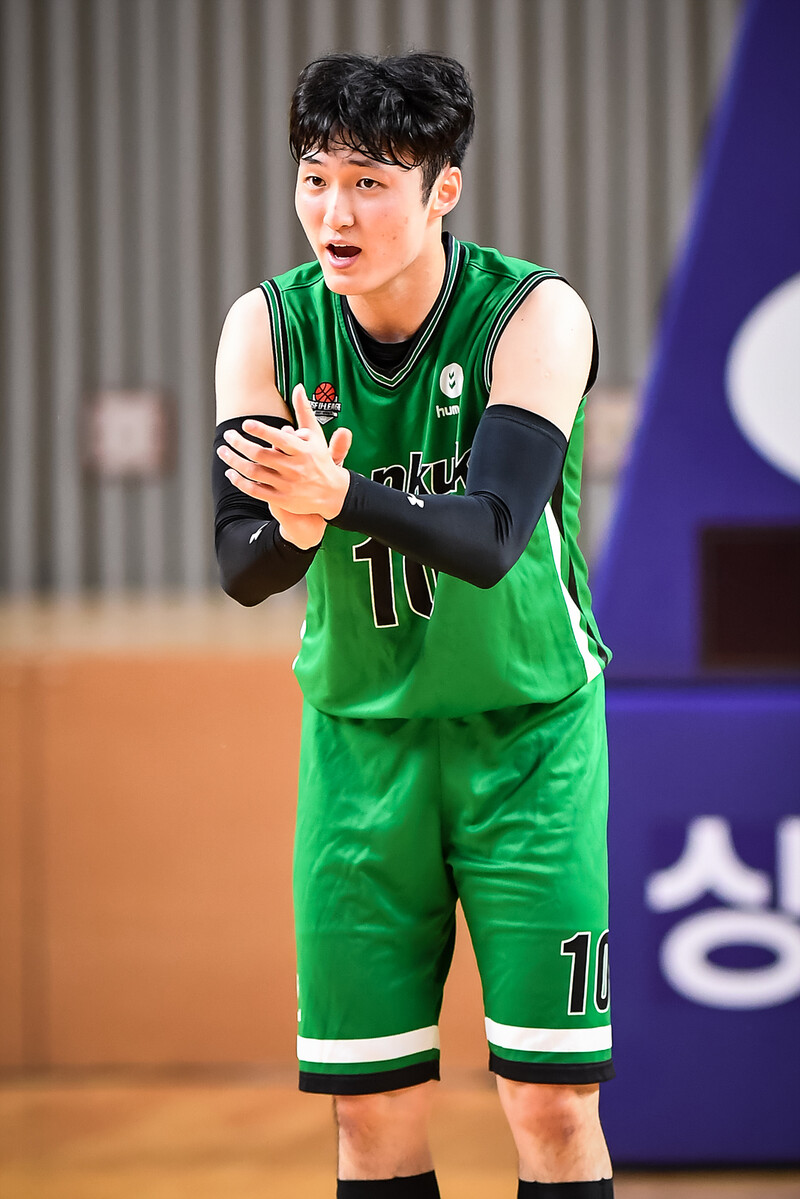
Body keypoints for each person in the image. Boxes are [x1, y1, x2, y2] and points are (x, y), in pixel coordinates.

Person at [213, 51, 613, 1199]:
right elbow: (241, 565)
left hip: (527, 738)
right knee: (369, 1108)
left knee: (548, 1101)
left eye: (369, 182)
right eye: (314, 177)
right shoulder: (268, 325)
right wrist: (294, 528)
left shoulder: (532, 314)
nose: (333, 213)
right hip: (361, 742)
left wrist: (337, 496)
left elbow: (489, 537)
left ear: (442, 190)